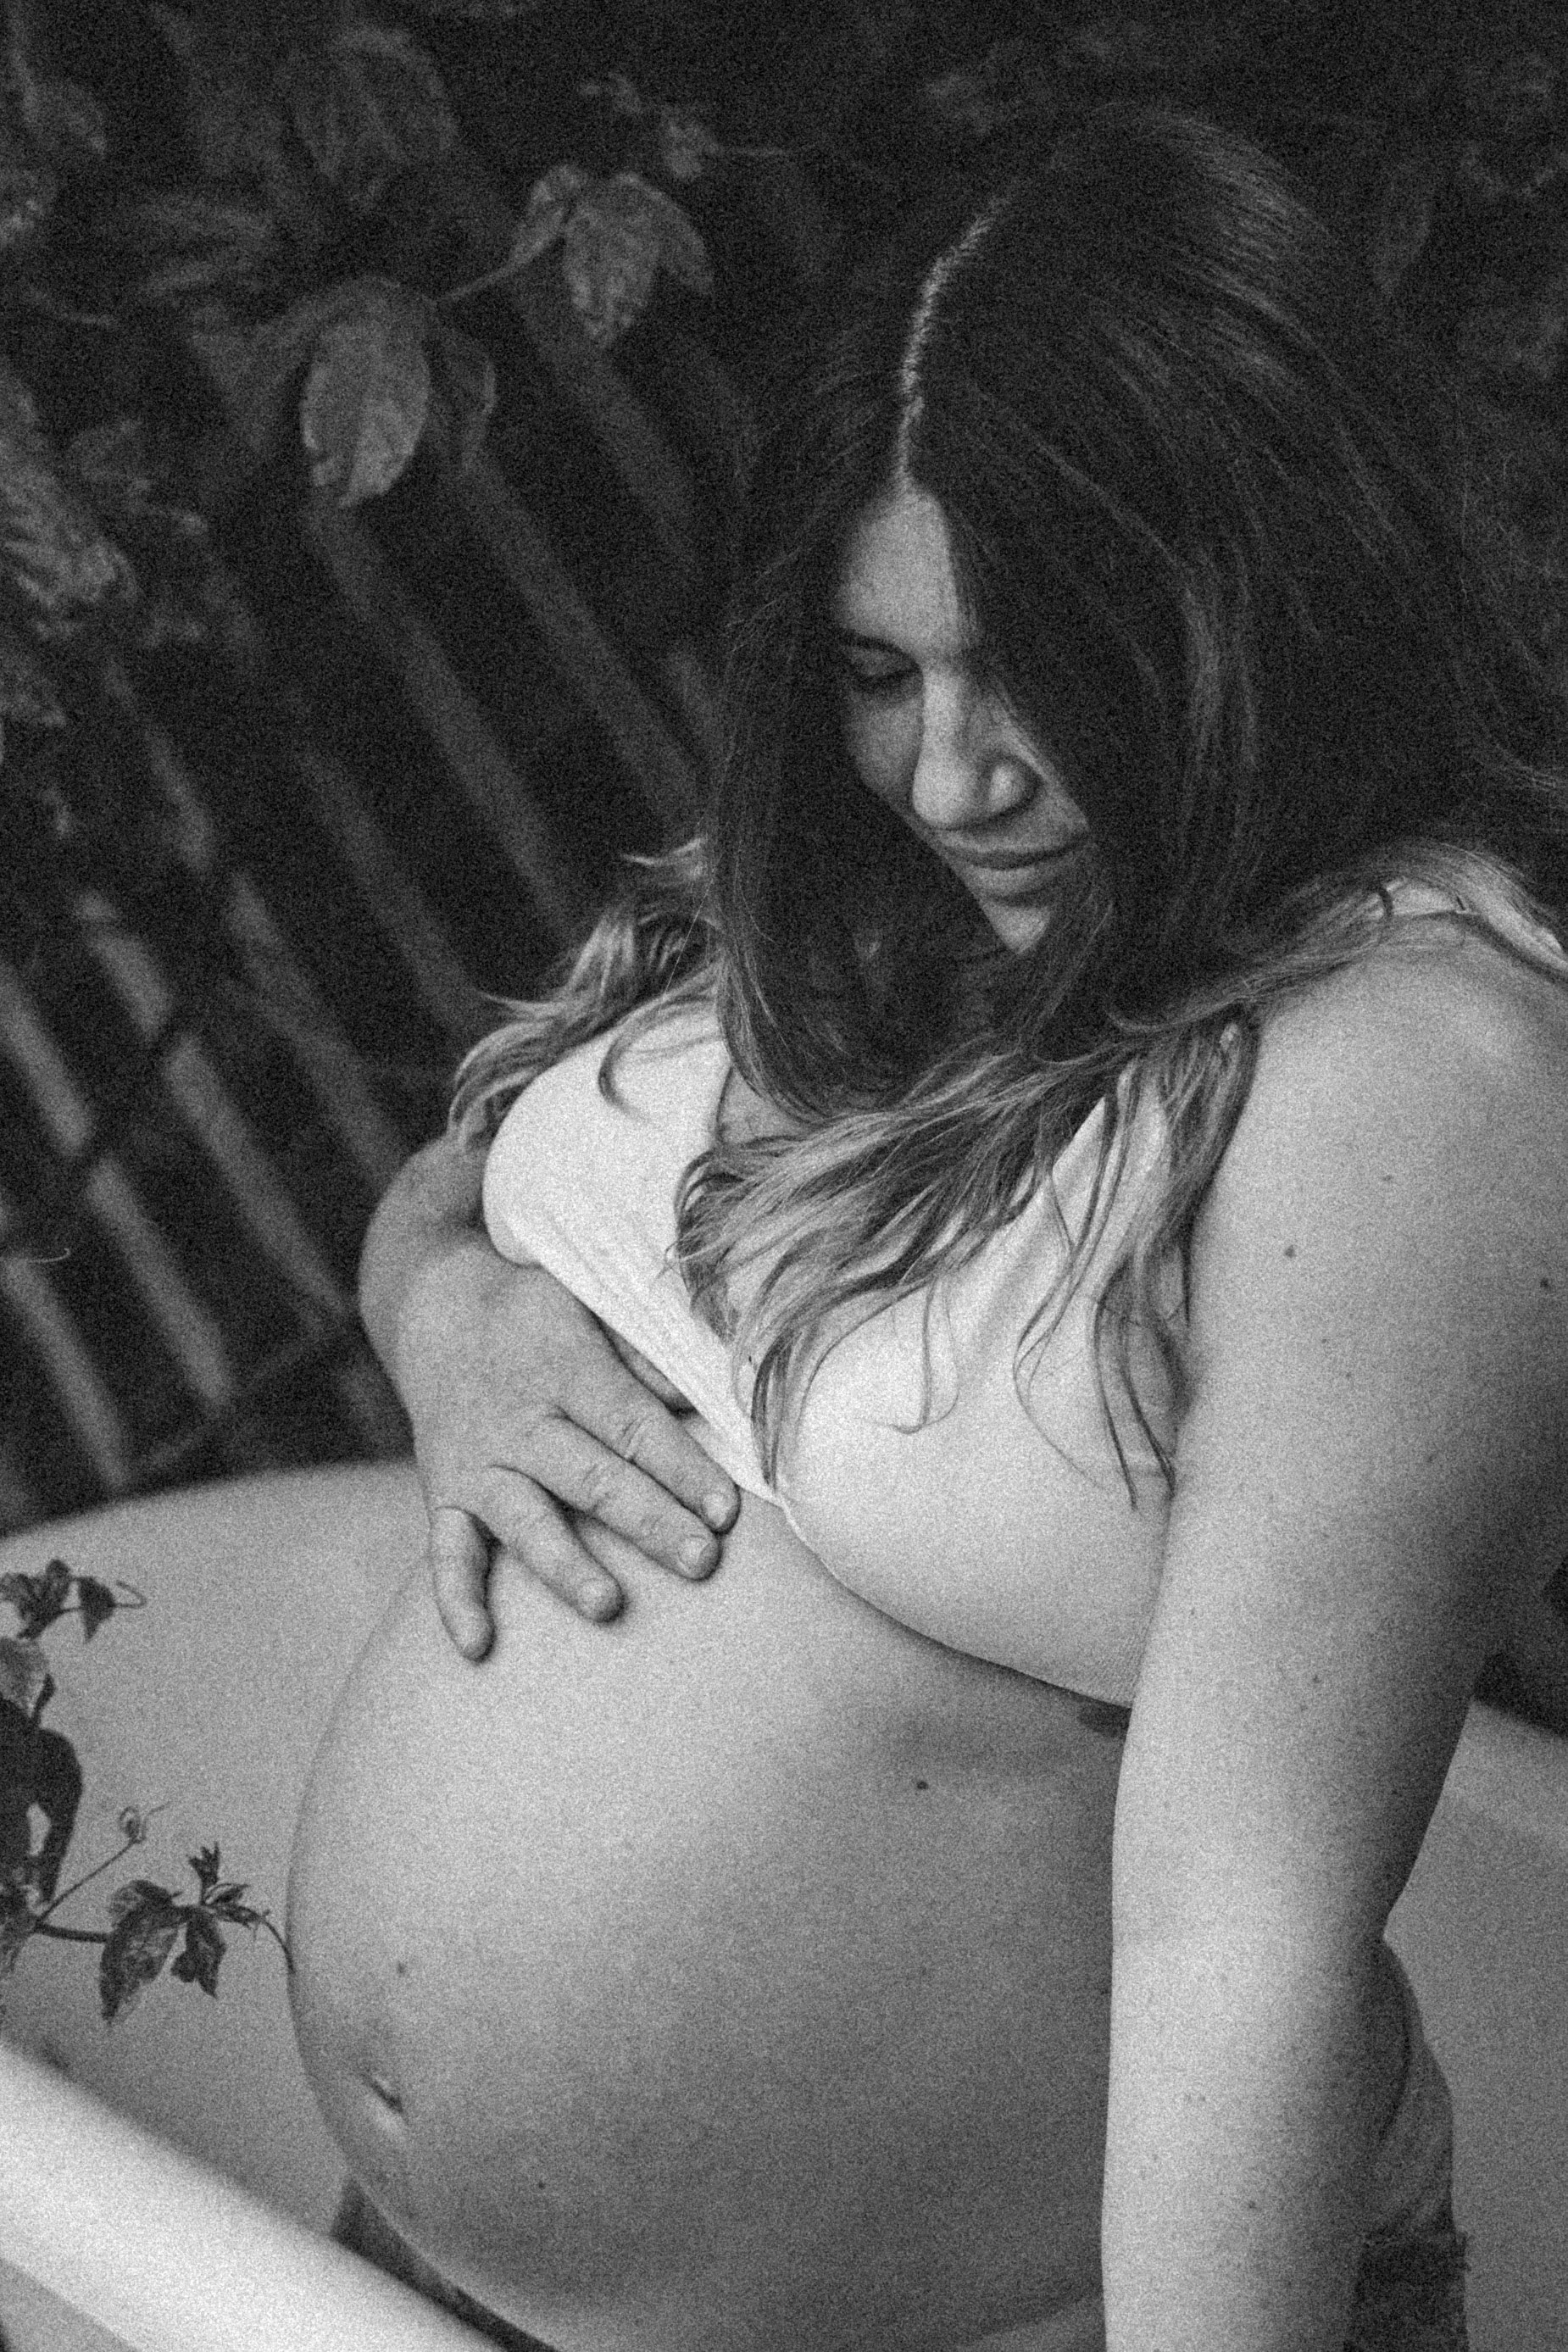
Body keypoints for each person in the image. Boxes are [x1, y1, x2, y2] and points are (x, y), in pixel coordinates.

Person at [286, 100, 1568, 2352]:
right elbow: (493, 1158)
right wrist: (445, 1311)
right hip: (460, 2277)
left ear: (1256, 606)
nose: (957, 770)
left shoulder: (1410, 1069)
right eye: (880, 672)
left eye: (1034, 668)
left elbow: (1239, 1930)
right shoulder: (917, 891)